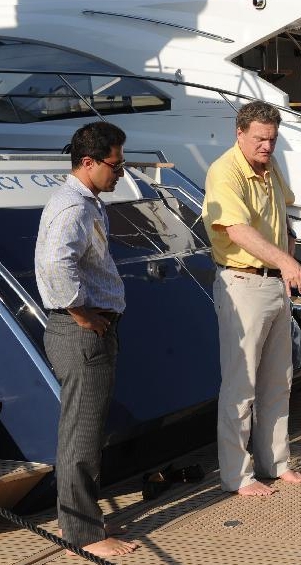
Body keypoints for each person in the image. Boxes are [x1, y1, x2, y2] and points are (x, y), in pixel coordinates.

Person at [34, 122, 139, 557]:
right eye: (116, 165)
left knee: (86, 430)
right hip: (80, 333)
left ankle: (82, 518)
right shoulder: (72, 208)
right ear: (89, 162)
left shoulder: (84, 202)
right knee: (81, 433)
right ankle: (85, 534)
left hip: (87, 329)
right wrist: (80, 312)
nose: (120, 173)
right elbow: (55, 265)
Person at [202, 100, 301, 496]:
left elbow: (285, 214)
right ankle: (237, 476)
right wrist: (287, 262)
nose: (267, 146)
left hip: (274, 283)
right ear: (240, 134)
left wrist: (289, 255)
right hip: (243, 283)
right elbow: (236, 230)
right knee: (241, 386)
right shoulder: (224, 171)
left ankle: (275, 461)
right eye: (260, 139)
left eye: (272, 139)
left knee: (277, 379)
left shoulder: (269, 167)